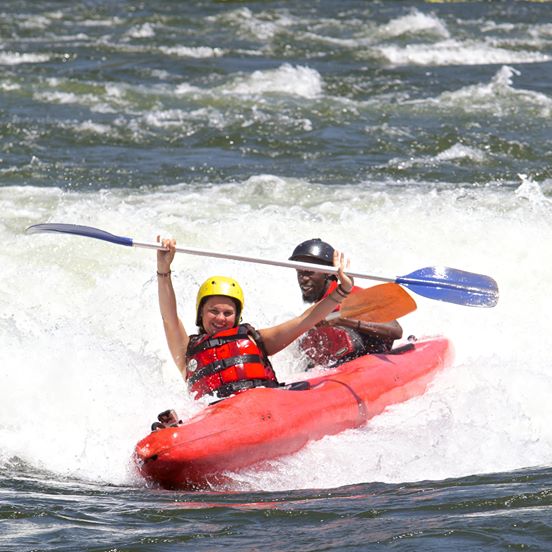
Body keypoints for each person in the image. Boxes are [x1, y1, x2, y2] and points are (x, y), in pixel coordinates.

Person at [156, 237, 355, 401]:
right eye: (213, 311)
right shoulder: (186, 350)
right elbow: (169, 317)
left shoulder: (254, 339)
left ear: (237, 316)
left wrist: (341, 291)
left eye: (227, 313)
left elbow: (304, 320)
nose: (220, 318)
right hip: (213, 417)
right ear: (201, 313)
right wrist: (163, 269)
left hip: (260, 411)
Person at [289, 238, 403, 368]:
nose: (302, 279)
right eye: (299, 273)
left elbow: (396, 330)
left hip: (374, 365)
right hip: (340, 371)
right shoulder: (319, 306)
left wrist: (340, 320)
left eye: (309, 272)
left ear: (327, 273)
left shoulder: (353, 296)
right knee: (304, 340)